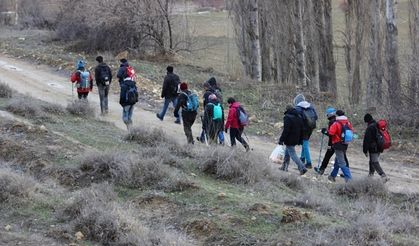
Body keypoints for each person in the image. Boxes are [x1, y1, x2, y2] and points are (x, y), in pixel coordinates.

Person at [315, 107, 350, 175]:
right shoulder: (339, 121)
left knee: (327, 156)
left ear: (329, 115)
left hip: (333, 143)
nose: (327, 116)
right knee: (343, 157)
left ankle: (321, 170)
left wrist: (325, 132)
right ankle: (344, 172)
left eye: (327, 114)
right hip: (341, 142)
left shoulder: (332, 122)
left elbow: (331, 134)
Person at [278, 105, 308, 175]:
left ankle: (302, 168)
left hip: (289, 138)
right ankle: (284, 167)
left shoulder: (287, 117)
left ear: (287, 109)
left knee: (292, 153)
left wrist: (281, 140)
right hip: (296, 138)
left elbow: (286, 130)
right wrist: (300, 139)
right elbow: (302, 129)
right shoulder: (299, 116)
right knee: (287, 152)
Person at [326, 110, 353, 182]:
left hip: (338, 144)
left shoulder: (336, 123)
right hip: (345, 143)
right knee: (337, 160)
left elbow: (331, 133)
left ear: (337, 115)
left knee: (341, 162)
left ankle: (349, 179)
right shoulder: (348, 122)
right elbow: (351, 131)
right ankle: (332, 176)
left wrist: (325, 131)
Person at [363, 113, 390, 182]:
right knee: (372, 161)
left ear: (367, 120)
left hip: (373, 148)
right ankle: (370, 176)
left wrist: (365, 150)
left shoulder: (370, 127)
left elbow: (367, 140)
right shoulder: (377, 125)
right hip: (380, 146)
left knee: (374, 162)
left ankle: (383, 176)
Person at [294, 94, 318, 169]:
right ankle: (302, 159)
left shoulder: (298, 108)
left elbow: (296, 119)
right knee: (304, 144)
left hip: (303, 128)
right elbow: (316, 117)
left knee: (305, 145)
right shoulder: (311, 106)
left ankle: (309, 163)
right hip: (311, 127)